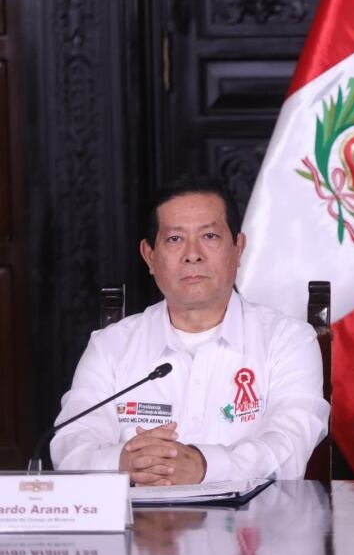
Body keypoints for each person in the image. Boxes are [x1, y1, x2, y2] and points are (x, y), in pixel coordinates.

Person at [50, 176, 329, 485]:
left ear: (238, 249)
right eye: (174, 239)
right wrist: (126, 462)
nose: (192, 254)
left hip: (252, 527)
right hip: (139, 526)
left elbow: (289, 447)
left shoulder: (288, 341)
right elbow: (70, 446)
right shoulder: (111, 346)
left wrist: (203, 466)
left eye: (209, 236)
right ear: (149, 256)